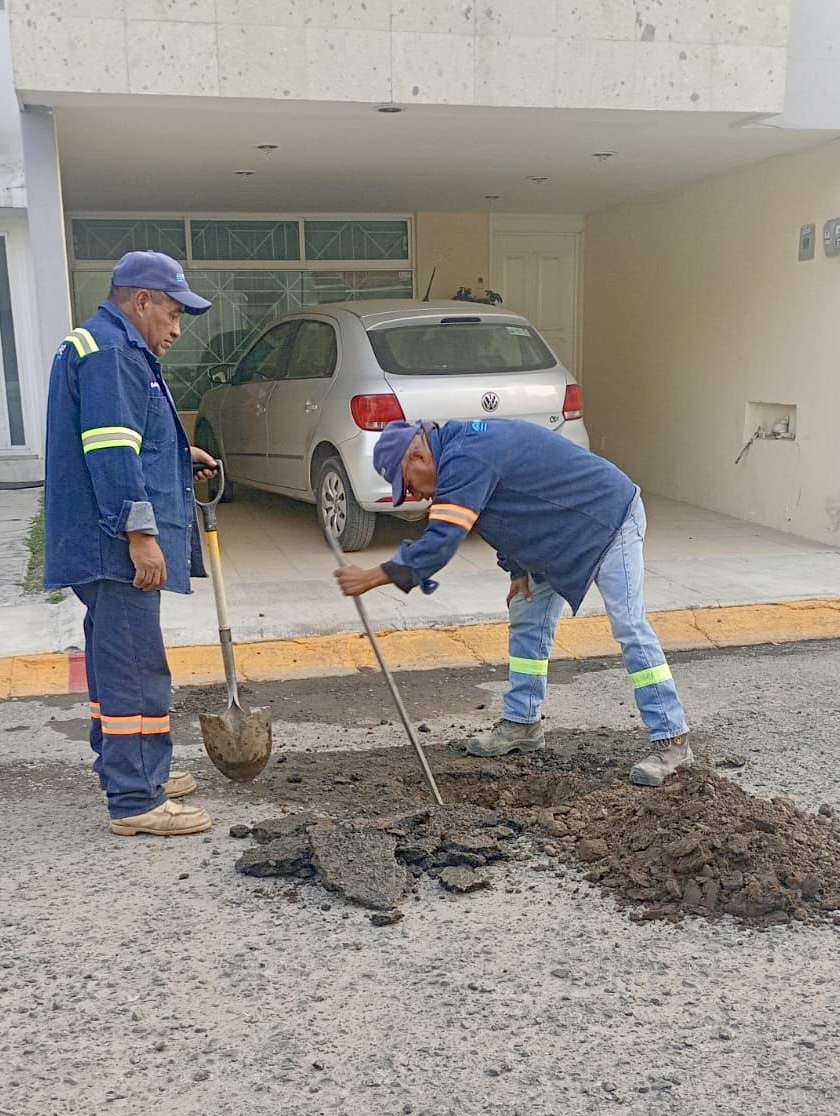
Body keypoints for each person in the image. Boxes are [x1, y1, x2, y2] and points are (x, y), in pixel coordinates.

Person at [334, 418, 691, 787]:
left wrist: (373, 577)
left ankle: (672, 741)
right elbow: (506, 508)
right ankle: (522, 724)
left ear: (420, 456)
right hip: (558, 531)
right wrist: (517, 568)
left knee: (629, 626)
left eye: (407, 483)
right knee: (526, 613)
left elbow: (441, 540)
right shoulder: (459, 454)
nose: (416, 496)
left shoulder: (467, 458)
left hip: (607, 517)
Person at [44, 250, 218, 836]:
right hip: (113, 545)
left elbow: (121, 439)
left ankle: (131, 766)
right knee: (136, 667)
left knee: (112, 659)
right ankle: (138, 796)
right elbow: (113, 452)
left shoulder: (102, 345)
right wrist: (141, 536)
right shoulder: (115, 353)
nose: (176, 329)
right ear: (140, 301)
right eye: (172, 314)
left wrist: (176, 455)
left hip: (96, 538)